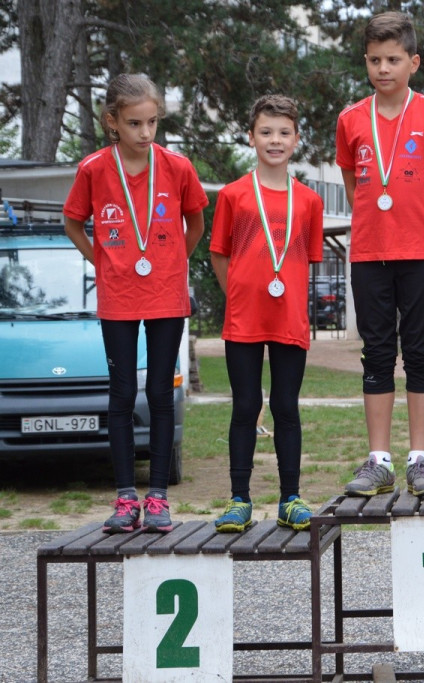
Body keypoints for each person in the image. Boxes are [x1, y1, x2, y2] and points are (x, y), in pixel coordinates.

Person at [63, 74, 208, 533]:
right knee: (123, 394)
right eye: (135, 124)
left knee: (161, 393)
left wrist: (169, 264)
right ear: (113, 123)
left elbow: (196, 224)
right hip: (119, 297)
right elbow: (73, 224)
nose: (146, 133)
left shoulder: (177, 167)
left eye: (152, 123)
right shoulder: (92, 169)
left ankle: (159, 497)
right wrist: (103, 262)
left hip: (165, 295)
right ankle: (127, 498)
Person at [335, 11, 424, 498]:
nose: (382, 68)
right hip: (369, 253)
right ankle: (378, 460)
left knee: (420, 355)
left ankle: (420, 460)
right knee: (376, 355)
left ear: (413, 62)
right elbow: (354, 183)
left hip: (421, 252)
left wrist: (421, 207)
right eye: (374, 60)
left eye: (392, 59)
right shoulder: (351, 120)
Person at [209, 95, 324, 532]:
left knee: (286, 406)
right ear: (251, 136)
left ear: (296, 139)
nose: (274, 140)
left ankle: (290, 497)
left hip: (289, 319)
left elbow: (305, 261)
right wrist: (238, 294)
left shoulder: (308, 201)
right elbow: (220, 255)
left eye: (283, 132)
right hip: (244, 320)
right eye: (266, 132)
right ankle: (239, 498)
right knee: (246, 405)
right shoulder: (235, 196)